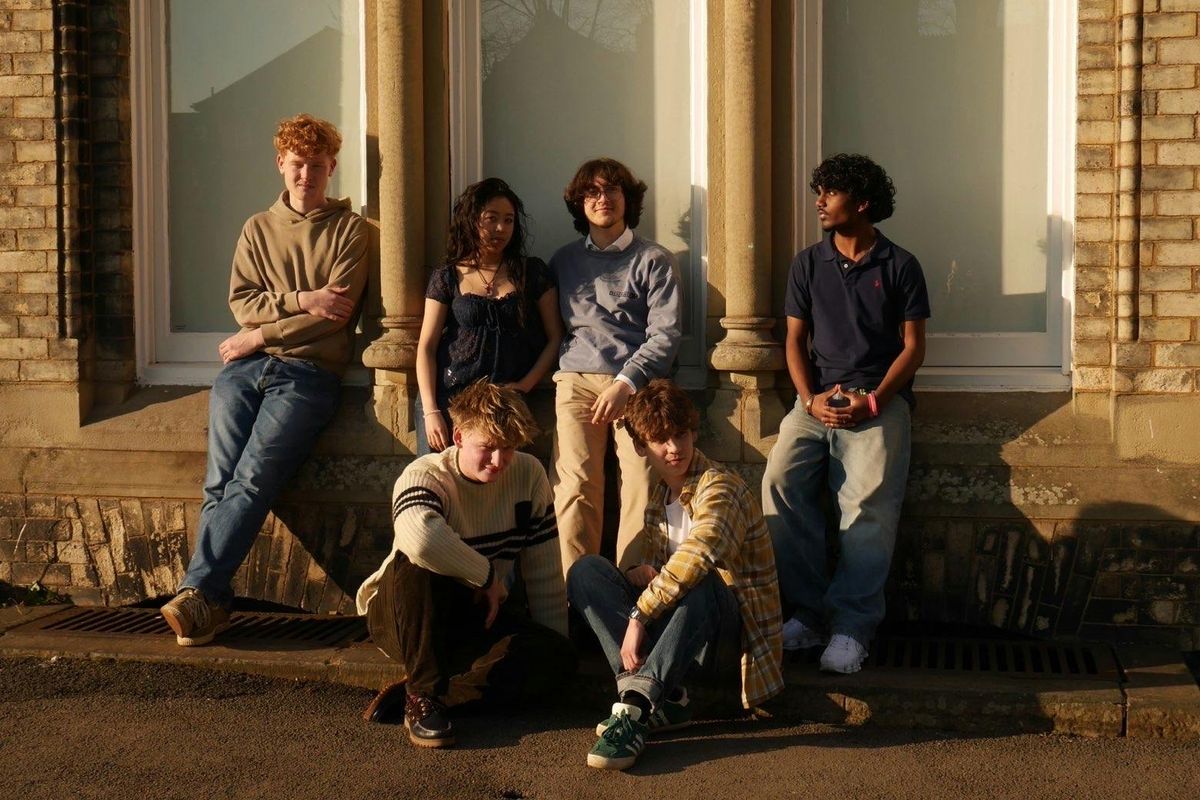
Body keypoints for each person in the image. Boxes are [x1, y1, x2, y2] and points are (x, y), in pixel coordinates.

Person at [159, 114, 368, 646]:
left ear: (332, 167)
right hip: (244, 371)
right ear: (281, 164)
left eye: (317, 165)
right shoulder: (256, 228)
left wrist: (260, 335)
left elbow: (336, 315)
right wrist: (303, 300)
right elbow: (241, 303)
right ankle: (209, 604)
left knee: (251, 478)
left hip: (307, 376)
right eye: (297, 164)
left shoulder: (350, 230)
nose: (306, 175)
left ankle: (197, 592)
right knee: (219, 481)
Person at [762, 153, 930, 674]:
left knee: (867, 508)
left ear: (861, 202)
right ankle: (807, 616)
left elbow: (914, 347)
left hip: (879, 404)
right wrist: (809, 398)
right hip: (815, 401)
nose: (819, 201)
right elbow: (794, 340)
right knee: (780, 483)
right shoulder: (808, 263)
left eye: (830, 192)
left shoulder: (900, 264)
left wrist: (875, 400)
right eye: (819, 191)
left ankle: (852, 628)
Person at [567, 379, 783, 771]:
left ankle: (634, 707)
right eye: (660, 439)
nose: (673, 448)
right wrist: (639, 575)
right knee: (587, 571)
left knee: (703, 579)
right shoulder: (658, 500)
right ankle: (666, 699)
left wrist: (639, 616)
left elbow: (701, 553)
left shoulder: (720, 487)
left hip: (725, 648)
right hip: (675, 647)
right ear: (640, 446)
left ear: (693, 433)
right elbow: (664, 582)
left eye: (681, 434)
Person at [356, 381, 575, 748]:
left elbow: (545, 572)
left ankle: (432, 693)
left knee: (559, 658)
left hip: (473, 615)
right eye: (487, 447)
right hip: (405, 616)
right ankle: (424, 694)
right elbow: (421, 540)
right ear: (458, 437)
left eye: (509, 448)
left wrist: (551, 647)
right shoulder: (425, 475)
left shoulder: (529, 474)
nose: (498, 461)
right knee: (419, 560)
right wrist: (487, 577)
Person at [551, 158, 682, 578]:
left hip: (638, 384)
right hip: (576, 380)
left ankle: (633, 587)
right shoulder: (563, 262)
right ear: (579, 203)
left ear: (628, 198)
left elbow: (666, 335)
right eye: (591, 192)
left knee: (642, 482)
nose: (602, 198)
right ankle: (580, 593)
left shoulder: (654, 259)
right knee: (575, 485)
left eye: (611, 189)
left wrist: (626, 382)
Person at [415, 178, 562, 453]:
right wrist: (430, 410)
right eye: (491, 218)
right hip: (451, 399)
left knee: (501, 475)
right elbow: (427, 347)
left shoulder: (532, 272)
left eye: (508, 220)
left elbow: (555, 338)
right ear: (471, 220)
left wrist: (524, 386)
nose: (500, 228)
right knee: (441, 475)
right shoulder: (447, 276)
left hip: (505, 403)